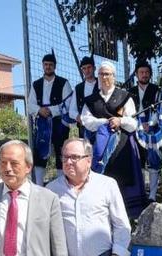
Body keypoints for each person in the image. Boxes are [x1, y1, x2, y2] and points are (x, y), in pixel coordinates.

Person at [81, 61, 148, 219]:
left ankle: (126, 220)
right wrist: (104, 122)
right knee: (100, 182)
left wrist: (120, 121)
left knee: (122, 182)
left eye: (107, 74)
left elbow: (133, 124)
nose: (104, 77)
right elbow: (86, 121)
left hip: (122, 147)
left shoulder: (124, 97)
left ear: (114, 76)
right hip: (98, 148)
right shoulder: (91, 100)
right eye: (101, 74)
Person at [28, 51, 73, 186]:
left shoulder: (64, 83)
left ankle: (62, 185)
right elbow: (30, 104)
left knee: (61, 152)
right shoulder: (36, 84)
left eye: (50, 65)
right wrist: (39, 110)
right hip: (42, 122)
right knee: (40, 153)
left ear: (55, 66)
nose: (48, 67)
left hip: (59, 122)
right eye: (46, 64)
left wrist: (51, 111)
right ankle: (39, 186)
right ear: (42, 65)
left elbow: (68, 103)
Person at [128, 59, 162, 201]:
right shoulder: (130, 92)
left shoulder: (157, 90)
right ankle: (140, 193)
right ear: (136, 74)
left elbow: (160, 110)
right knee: (137, 160)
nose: (144, 74)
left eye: (147, 72)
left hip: (152, 128)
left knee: (154, 159)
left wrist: (151, 122)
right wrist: (137, 124)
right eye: (141, 72)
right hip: (135, 127)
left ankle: (152, 195)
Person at [70, 55, 99, 141]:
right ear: (82, 70)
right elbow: (71, 111)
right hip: (84, 128)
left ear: (94, 68)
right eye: (84, 68)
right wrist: (79, 118)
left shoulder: (102, 84)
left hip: (100, 126)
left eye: (89, 67)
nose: (87, 70)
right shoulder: (78, 88)